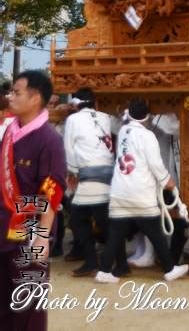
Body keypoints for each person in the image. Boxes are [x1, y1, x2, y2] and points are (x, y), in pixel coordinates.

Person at [0, 70, 66, 331]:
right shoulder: (10, 132)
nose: (10, 97)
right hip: (4, 230)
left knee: (28, 306)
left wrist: (42, 237)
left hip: (30, 233)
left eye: (16, 92)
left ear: (35, 98)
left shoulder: (49, 140)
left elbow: (52, 190)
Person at [95, 99, 188, 283]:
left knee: (116, 234)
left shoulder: (123, 131)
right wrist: (167, 181)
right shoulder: (147, 136)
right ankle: (170, 268)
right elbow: (155, 164)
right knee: (155, 233)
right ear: (147, 117)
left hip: (120, 190)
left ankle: (104, 270)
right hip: (140, 192)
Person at [64, 87, 114, 277]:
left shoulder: (73, 119)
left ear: (75, 103)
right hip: (109, 173)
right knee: (104, 221)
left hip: (87, 174)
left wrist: (73, 171)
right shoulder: (105, 117)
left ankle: (93, 261)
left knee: (77, 220)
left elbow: (68, 147)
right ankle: (118, 261)